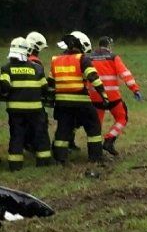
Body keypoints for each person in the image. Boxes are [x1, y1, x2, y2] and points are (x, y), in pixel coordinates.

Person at [50, 32, 112, 164]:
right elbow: (93, 78)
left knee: (63, 129)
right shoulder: (82, 59)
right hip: (80, 101)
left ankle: (59, 158)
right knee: (93, 127)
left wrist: (51, 100)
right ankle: (96, 156)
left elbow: (50, 83)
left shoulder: (56, 60)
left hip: (61, 103)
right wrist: (104, 96)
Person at [1, 38, 52, 170]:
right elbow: (45, 89)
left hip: (15, 111)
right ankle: (43, 163)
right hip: (36, 110)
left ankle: (15, 165)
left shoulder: (7, 68)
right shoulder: (37, 68)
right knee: (40, 135)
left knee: (17, 136)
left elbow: (4, 87)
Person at [89, 36, 142, 156]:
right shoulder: (113, 57)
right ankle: (109, 140)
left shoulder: (89, 57)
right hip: (112, 96)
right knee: (122, 118)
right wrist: (135, 89)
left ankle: (94, 151)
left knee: (96, 124)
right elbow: (125, 74)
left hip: (95, 97)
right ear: (108, 46)